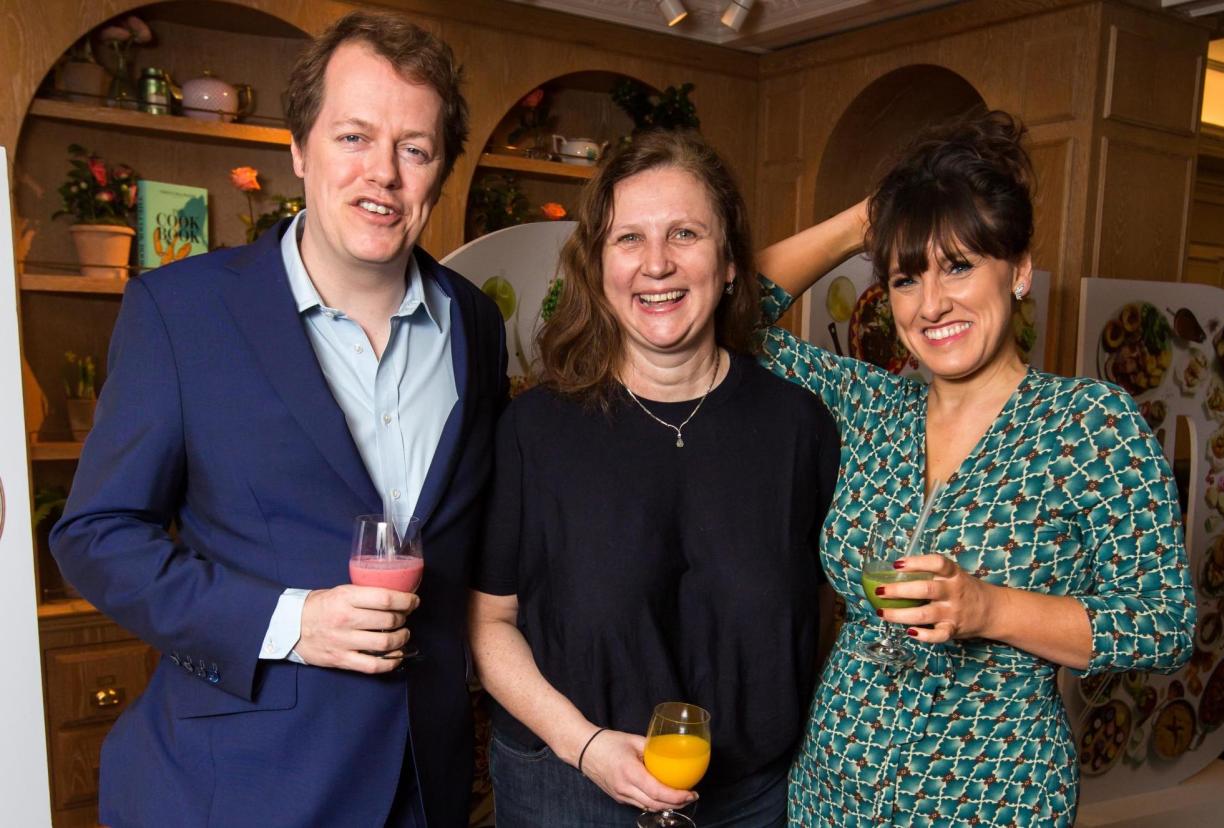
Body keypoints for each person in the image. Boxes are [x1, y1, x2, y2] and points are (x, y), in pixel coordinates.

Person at [50, 11, 507, 827]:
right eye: (354, 138)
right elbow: (96, 536)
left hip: (423, 781)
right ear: (298, 149)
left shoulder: (474, 322)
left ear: (440, 171)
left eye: (414, 148)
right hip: (240, 785)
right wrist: (292, 623)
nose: (384, 175)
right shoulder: (182, 311)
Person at [754, 110, 1195, 825]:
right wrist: (867, 219)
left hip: (992, 799)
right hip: (833, 789)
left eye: (958, 265)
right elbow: (727, 318)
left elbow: (1163, 624)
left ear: (1019, 271)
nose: (932, 304)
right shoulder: (871, 405)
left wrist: (990, 608)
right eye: (905, 278)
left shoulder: (1088, 423)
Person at [467, 129, 840, 826]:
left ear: (729, 263)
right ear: (598, 265)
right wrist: (586, 746)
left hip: (750, 799)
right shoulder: (534, 430)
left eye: (685, 234)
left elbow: (816, 611)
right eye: (628, 239)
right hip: (566, 789)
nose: (657, 264)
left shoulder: (798, 425)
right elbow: (489, 623)